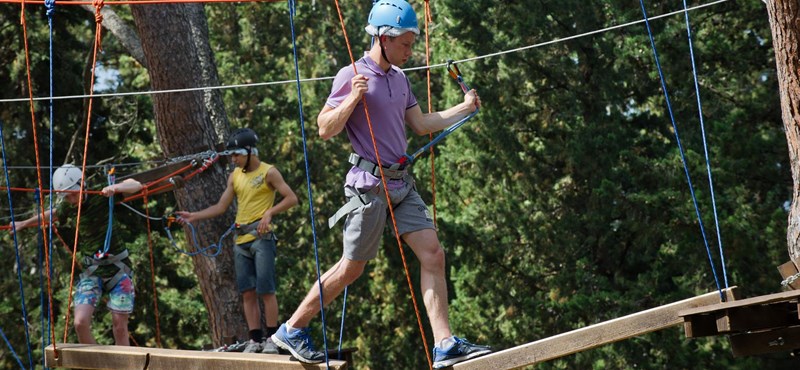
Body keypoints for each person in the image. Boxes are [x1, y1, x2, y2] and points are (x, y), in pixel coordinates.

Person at [270, 0, 491, 368]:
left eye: (411, 43)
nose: (410, 50)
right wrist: (353, 97)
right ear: (382, 38)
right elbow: (325, 128)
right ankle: (292, 328)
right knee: (351, 268)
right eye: (404, 43)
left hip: (401, 183)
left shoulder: (400, 79)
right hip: (368, 187)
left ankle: (445, 344)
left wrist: (464, 108)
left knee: (433, 253)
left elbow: (420, 124)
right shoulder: (351, 74)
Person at [176, 128, 299, 354]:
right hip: (240, 239)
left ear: (250, 151)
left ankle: (273, 339)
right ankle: (255, 339)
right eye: (231, 156)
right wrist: (194, 216)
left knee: (266, 290)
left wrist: (270, 212)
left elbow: (292, 198)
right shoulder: (235, 176)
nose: (233, 160)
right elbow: (221, 206)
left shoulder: (268, 172)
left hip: (262, 238)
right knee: (247, 292)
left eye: (237, 155)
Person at [11, 164, 143, 345]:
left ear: (82, 184)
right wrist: (24, 223)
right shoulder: (69, 206)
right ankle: (96, 363)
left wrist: (115, 187)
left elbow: (136, 184)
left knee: (119, 326)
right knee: (80, 323)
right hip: (93, 271)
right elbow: (54, 214)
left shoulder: (102, 197)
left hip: (119, 271)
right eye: (67, 196)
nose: (72, 199)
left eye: (73, 193)